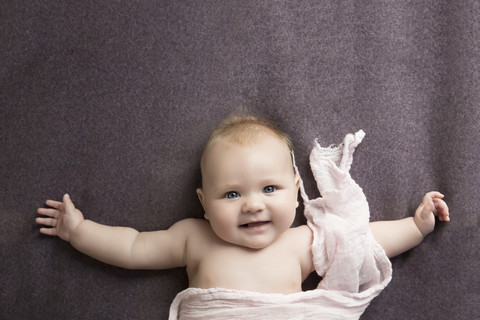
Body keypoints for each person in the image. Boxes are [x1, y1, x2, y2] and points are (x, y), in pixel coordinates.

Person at [36, 115, 450, 319]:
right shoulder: (193, 237)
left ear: (294, 191)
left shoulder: (299, 242)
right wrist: (79, 231)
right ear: (203, 201)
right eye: (231, 194)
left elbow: (364, 240)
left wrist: (414, 226)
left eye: (269, 189)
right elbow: (132, 247)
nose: (252, 204)